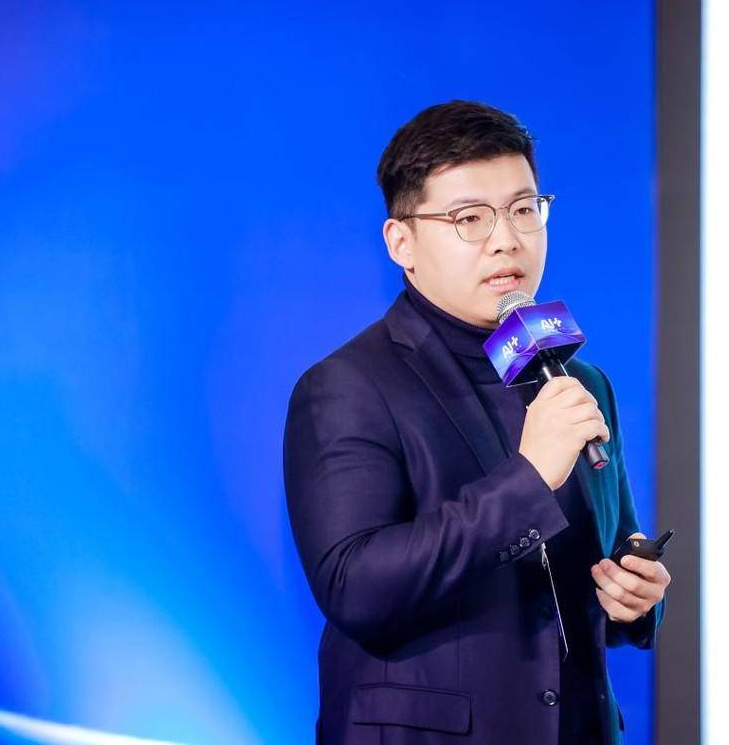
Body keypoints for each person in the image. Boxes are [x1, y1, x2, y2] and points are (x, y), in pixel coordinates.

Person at [283, 100, 669, 744]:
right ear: (401, 242)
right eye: (469, 218)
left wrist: (631, 595)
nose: (507, 239)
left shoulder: (578, 380)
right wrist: (530, 478)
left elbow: (603, 552)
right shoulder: (348, 386)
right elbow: (356, 588)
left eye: (524, 209)